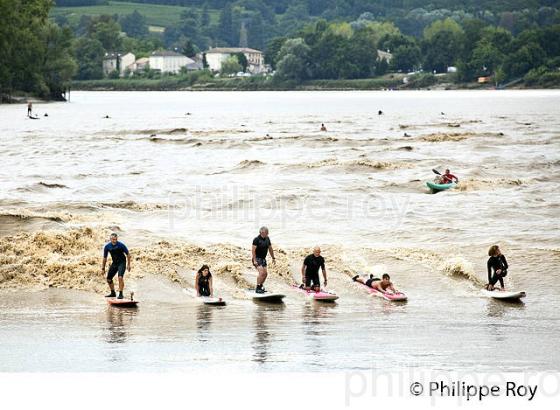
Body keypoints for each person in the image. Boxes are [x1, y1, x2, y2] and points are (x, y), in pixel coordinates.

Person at [101, 233, 131, 299]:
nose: (114, 241)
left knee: (120, 277)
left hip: (122, 263)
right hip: (115, 263)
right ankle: (113, 293)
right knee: (109, 279)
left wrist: (128, 265)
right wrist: (103, 268)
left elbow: (128, 255)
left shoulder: (121, 245)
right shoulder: (107, 247)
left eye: (116, 239)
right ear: (110, 239)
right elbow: (104, 258)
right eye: (113, 239)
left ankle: (121, 293)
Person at [252, 226, 275, 293]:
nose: (268, 233)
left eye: (268, 232)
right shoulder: (256, 239)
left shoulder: (267, 239)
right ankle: (257, 287)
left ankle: (260, 286)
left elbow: (270, 249)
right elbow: (253, 250)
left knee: (265, 274)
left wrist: (273, 258)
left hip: (263, 259)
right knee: (261, 273)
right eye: (267, 232)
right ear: (262, 232)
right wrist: (254, 260)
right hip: (257, 258)